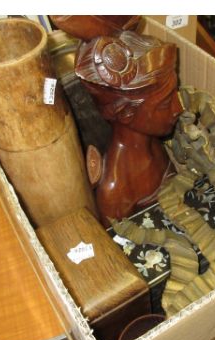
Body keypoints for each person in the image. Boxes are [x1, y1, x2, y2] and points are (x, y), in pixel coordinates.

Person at [75, 31, 183, 226]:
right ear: (126, 114)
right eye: (166, 103)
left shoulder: (155, 145)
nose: (179, 108)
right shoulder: (115, 191)